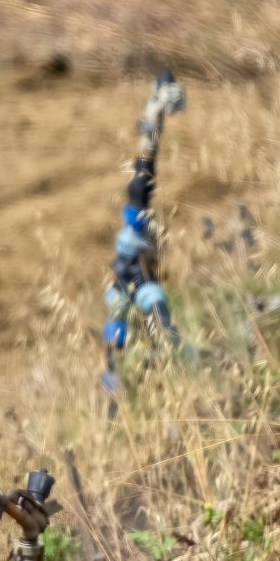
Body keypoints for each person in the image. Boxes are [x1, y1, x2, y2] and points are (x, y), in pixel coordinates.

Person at [102, 71, 186, 395]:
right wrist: (153, 118)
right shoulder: (143, 280)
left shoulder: (130, 260)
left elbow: (142, 175)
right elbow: (142, 178)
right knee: (125, 344)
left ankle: (118, 394)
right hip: (133, 288)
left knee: (118, 347)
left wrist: (153, 118)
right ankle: (120, 392)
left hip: (126, 289)